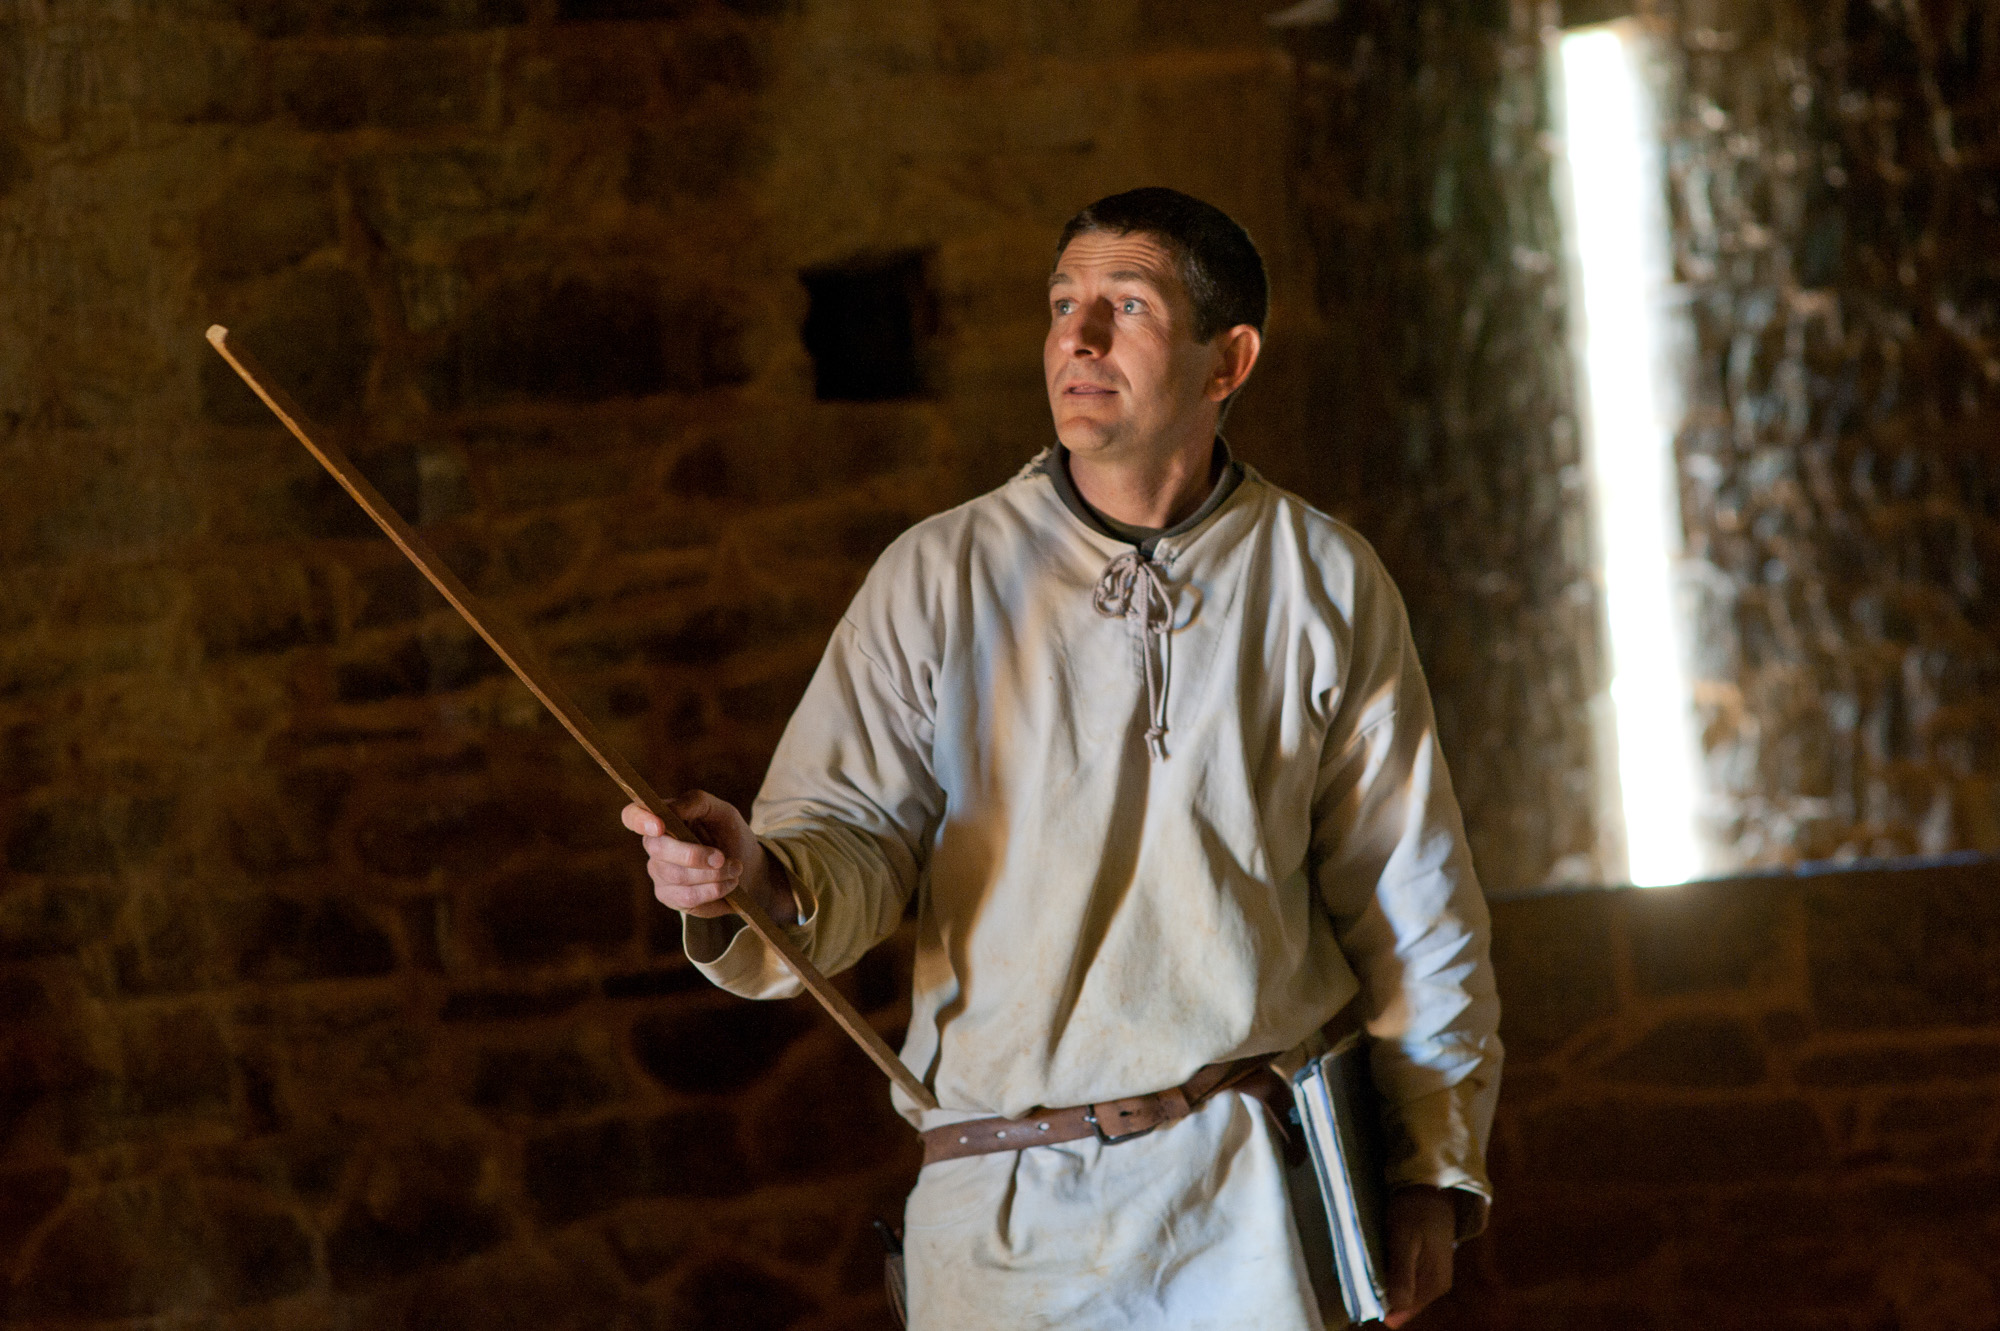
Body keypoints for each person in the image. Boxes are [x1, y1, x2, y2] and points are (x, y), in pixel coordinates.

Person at [624, 187, 1500, 1330]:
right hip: (1003, 1217)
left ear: (1226, 360)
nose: (1076, 339)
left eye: (1123, 305)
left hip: (1245, 1203)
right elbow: (841, 848)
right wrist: (758, 875)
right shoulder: (935, 577)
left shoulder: (1321, 581)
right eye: (1061, 303)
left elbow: (1411, 900)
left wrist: (1429, 1167)